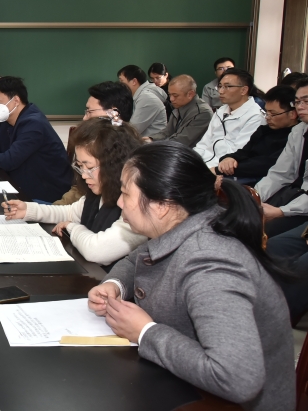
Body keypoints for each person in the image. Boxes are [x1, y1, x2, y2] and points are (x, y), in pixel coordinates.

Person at [87, 142, 294, 411]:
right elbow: (138, 258)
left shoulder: (212, 264)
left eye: (125, 193)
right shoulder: (186, 222)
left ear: (162, 205)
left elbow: (237, 378)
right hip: (182, 384)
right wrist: (114, 285)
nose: (118, 202)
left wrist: (146, 332)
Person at [1, 118, 147, 267]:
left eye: (89, 167)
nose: (83, 175)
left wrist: (72, 227)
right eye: (80, 166)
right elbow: (70, 213)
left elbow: (97, 251)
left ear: (113, 164)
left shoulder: (139, 206)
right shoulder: (99, 192)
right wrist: (28, 210)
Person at [0, 76, 72, 202]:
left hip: (46, 194)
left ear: (16, 100)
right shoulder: (10, 120)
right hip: (25, 186)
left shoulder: (34, 124)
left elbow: (9, 160)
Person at [213, 85, 298, 187]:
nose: (267, 117)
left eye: (273, 114)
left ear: (292, 114)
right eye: (266, 112)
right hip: (242, 173)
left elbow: (268, 165)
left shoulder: (296, 137)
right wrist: (229, 158)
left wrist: (221, 170)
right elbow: (244, 152)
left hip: (266, 181)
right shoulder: (264, 130)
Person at [253, 81, 308, 237]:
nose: (300, 106)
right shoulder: (299, 131)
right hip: (294, 194)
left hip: (303, 207)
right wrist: (255, 197)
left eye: (306, 101)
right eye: (297, 102)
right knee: (242, 220)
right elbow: (280, 173)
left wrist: (282, 211)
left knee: (264, 233)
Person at [192, 68, 265, 167]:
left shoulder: (255, 117)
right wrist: (191, 160)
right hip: (203, 163)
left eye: (227, 86)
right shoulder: (221, 111)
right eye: (220, 86)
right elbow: (204, 143)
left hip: (222, 168)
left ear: (244, 90)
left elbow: (237, 154)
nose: (221, 91)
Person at [144, 75, 211, 148]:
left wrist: (153, 145)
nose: (171, 99)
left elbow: (180, 141)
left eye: (175, 95)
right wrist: (151, 139)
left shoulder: (202, 113)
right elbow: (167, 133)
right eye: (170, 95)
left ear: (190, 94)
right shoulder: (179, 106)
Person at [117, 65, 167, 138]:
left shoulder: (146, 98)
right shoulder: (141, 96)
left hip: (152, 143)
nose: (120, 85)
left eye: (122, 81)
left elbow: (132, 131)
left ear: (134, 81)